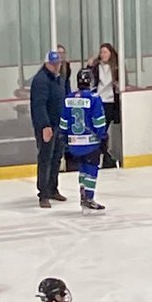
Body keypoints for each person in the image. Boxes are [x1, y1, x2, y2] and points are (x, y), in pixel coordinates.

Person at [59, 67, 108, 212]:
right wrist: (102, 136)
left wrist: (65, 136)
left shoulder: (69, 98)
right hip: (90, 142)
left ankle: (83, 195)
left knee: (82, 168)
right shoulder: (94, 98)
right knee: (91, 169)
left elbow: (64, 121)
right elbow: (99, 121)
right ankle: (89, 197)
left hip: (74, 143)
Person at [30, 51, 67, 209]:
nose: (56, 66)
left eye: (58, 63)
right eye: (53, 63)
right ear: (46, 63)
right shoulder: (41, 80)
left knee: (57, 157)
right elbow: (39, 105)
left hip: (59, 125)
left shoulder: (59, 78)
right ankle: (43, 193)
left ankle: (53, 188)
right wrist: (45, 126)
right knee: (45, 158)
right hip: (47, 126)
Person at [91, 43, 121, 168]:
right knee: (99, 130)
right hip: (98, 101)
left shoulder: (116, 68)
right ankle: (102, 154)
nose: (103, 54)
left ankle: (105, 155)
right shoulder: (96, 67)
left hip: (110, 102)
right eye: (101, 52)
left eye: (105, 52)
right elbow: (92, 82)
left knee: (103, 129)